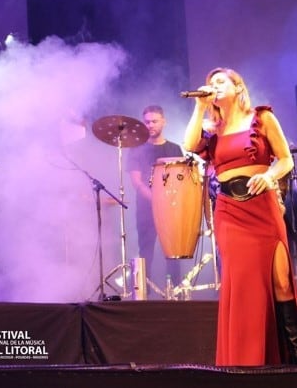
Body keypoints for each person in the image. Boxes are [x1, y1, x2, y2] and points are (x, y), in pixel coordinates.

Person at [183, 67, 296, 365]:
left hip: (263, 207)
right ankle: (248, 362)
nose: (215, 87)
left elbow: (284, 159)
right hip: (230, 213)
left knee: (281, 282)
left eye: (221, 82)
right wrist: (199, 106)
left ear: (238, 87)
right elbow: (188, 145)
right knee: (245, 288)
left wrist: (270, 176)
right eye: (211, 84)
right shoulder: (212, 130)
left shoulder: (262, 118)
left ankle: (292, 358)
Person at [126, 105, 184, 290]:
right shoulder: (136, 149)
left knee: (174, 251)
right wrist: (157, 200)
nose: (150, 125)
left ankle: (176, 291)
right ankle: (144, 292)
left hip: (172, 209)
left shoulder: (174, 149)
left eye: (154, 121)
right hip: (146, 209)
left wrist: (171, 202)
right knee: (146, 250)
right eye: (147, 121)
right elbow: (137, 182)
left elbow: (181, 180)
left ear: (163, 122)